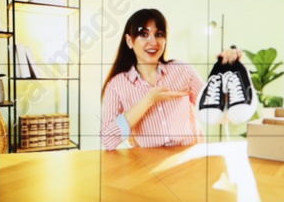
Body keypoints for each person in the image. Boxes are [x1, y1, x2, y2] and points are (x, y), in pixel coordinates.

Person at [99, 8, 241, 150]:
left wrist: (228, 68)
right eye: (144, 34)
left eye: (159, 34)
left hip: (191, 157)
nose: (153, 42)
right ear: (129, 41)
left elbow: (220, 113)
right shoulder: (117, 85)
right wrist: (148, 100)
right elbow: (107, 140)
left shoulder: (182, 70)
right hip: (148, 163)